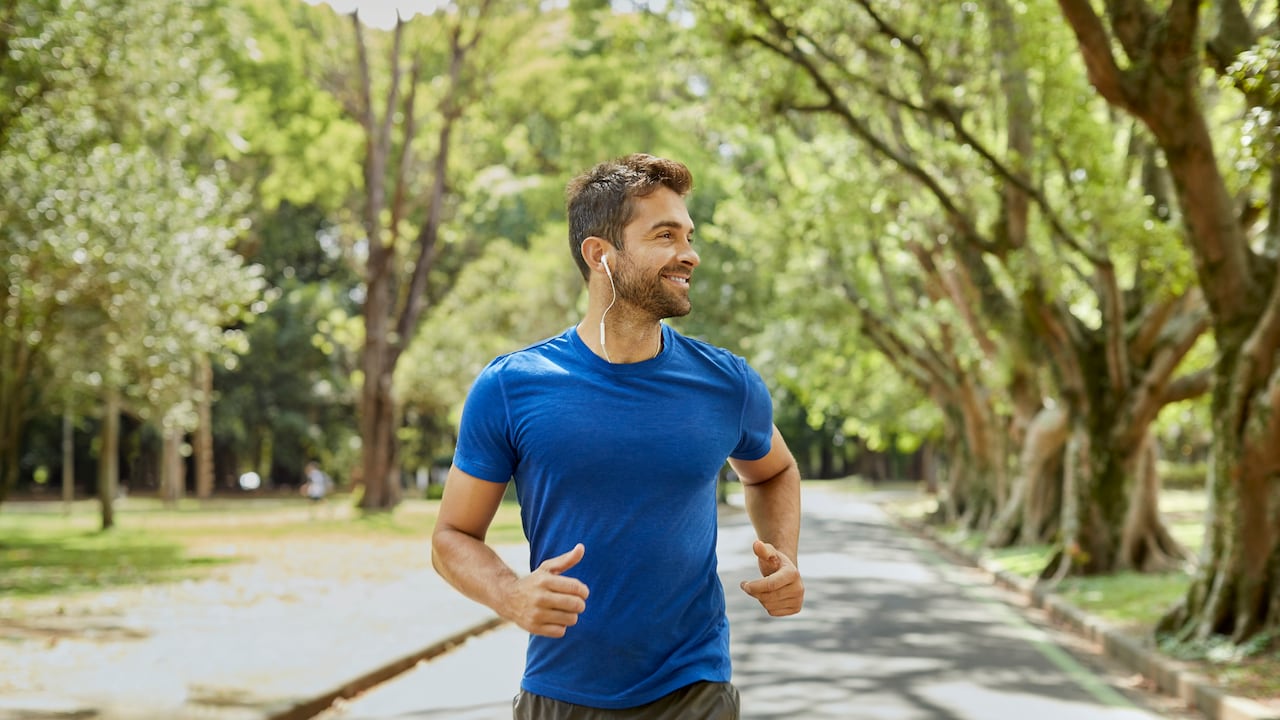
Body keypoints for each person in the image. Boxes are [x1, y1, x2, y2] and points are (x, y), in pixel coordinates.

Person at [431, 153, 804, 719]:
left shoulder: (726, 382)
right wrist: (510, 594)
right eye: (665, 235)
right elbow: (451, 536)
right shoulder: (512, 386)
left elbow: (774, 470)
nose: (690, 253)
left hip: (695, 686)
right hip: (561, 692)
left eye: (689, 234)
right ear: (600, 255)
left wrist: (784, 555)